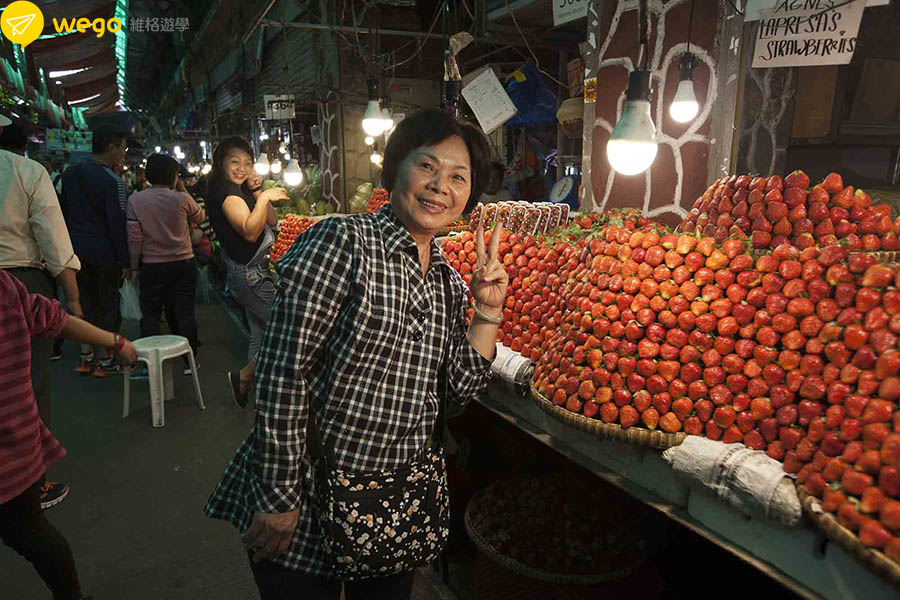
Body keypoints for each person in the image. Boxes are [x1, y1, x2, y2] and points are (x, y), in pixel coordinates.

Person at [204, 108, 507, 599]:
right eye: (427, 166)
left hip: (392, 504)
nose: (440, 186)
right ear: (396, 168)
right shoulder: (342, 243)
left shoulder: (449, 284)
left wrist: (487, 312)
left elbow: (455, 395)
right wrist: (279, 496)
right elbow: (282, 372)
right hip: (308, 498)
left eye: (458, 176)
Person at [0, 269, 136, 600]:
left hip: (14, 456)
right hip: (18, 453)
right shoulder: (5, 286)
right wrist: (114, 341)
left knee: (32, 535)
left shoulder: (6, 287)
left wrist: (113, 340)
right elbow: (54, 317)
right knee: (35, 536)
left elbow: (53, 318)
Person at [0, 117, 83, 509]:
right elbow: (53, 239)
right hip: (20, 282)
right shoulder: (27, 170)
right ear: (22, 145)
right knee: (28, 387)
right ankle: (32, 484)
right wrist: (73, 300)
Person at [203, 137, 287, 407]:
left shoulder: (239, 190)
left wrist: (258, 192)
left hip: (253, 273)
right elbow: (250, 232)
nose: (242, 168)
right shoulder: (226, 191)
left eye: (248, 163)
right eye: (235, 162)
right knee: (287, 330)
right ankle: (244, 376)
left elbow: (272, 220)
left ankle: (259, 393)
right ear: (221, 163)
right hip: (250, 277)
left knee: (260, 334)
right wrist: (267, 197)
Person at [60, 128, 130, 377]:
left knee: (82, 302)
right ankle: (107, 359)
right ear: (112, 146)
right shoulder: (112, 181)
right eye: (123, 148)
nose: (123, 154)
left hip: (75, 251)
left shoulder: (69, 174)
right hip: (104, 251)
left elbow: (64, 212)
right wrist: (125, 261)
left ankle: (86, 356)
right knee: (108, 303)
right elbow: (117, 224)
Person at [127, 153, 207, 370]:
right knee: (184, 313)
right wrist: (182, 188)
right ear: (174, 175)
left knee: (151, 314)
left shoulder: (135, 200)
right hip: (183, 263)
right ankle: (190, 361)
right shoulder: (181, 199)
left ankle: (150, 364)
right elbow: (201, 217)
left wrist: (133, 267)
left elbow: (135, 238)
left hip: (151, 266)